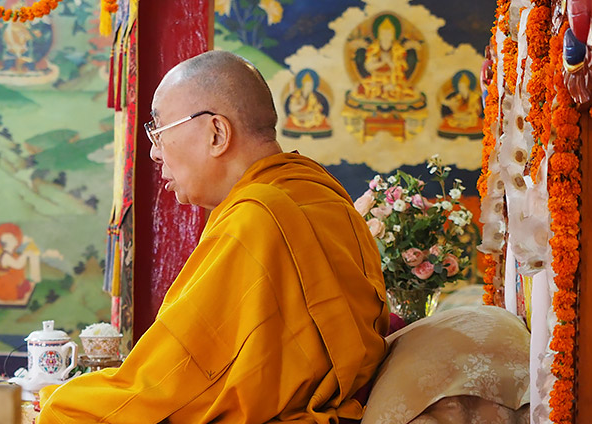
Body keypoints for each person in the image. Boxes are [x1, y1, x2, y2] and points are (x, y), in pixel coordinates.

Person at [38, 51, 389, 423]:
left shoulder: (258, 219)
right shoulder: (324, 195)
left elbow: (163, 387)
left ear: (217, 133)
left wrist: (55, 400)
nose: (155, 153)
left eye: (158, 132)